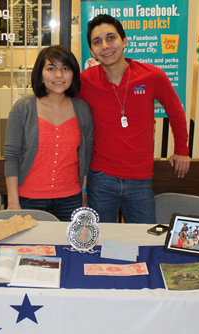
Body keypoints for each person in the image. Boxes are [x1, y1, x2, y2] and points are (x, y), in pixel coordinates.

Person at [78, 14, 190, 223]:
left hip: (140, 178)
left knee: (143, 241)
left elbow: (175, 110)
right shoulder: (85, 80)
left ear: (124, 41)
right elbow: (63, 107)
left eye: (111, 38)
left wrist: (182, 150)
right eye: (97, 41)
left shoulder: (152, 76)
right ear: (92, 51)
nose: (105, 45)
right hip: (100, 178)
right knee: (101, 241)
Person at [4, 45, 94, 222]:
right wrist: (13, 202)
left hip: (71, 200)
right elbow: (12, 156)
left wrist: (83, 193)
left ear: (73, 74)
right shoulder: (23, 109)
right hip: (29, 200)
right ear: (40, 73)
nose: (59, 75)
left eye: (65, 68)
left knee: (68, 249)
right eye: (51, 68)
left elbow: (86, 154)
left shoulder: (82, 109)